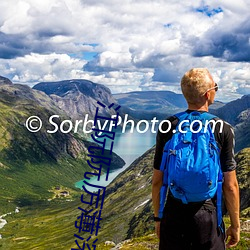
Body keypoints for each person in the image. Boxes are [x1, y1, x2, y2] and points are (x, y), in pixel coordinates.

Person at [152, 68, 240, 250]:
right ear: (208, 94)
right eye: (216, 87)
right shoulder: (222, 129)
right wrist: (235, 225)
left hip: (174, 212)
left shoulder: (168, 125)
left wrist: (158, 218)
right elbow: (230, 185)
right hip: (207, 215)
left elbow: (157, 181)